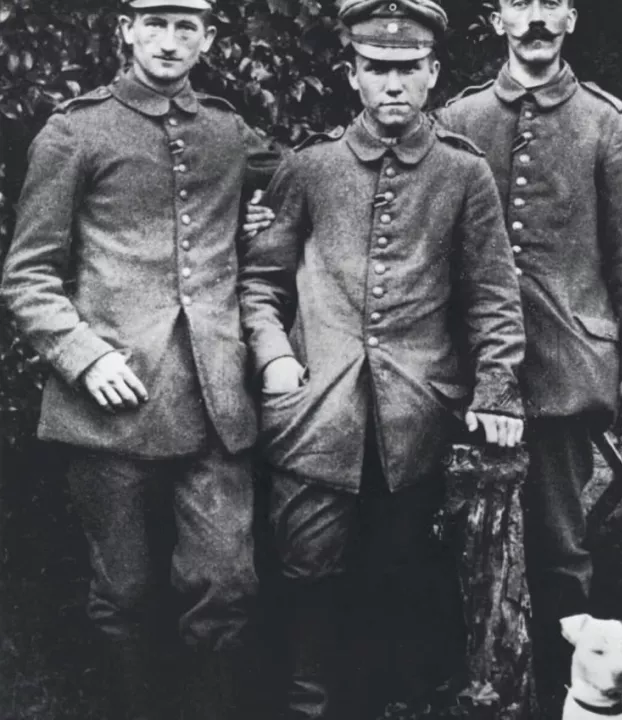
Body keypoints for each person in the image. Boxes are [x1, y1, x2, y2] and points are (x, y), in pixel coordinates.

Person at [238, 1, 526, 718]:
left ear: (432, 74)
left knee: (403, 581)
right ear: (352, 76)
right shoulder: (310, 169)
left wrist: (495, 388)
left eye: (407, 69)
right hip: (316, 419)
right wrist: (276, 361)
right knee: (307, 572)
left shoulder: (465, 175)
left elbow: (492, 293)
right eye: (377, 69)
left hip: (415, 419)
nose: (392, 84)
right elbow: (260, 284)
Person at [0, 1, 279, 718]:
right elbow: (28, 275)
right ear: (124, 29)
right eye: (154, 21)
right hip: (110, 399)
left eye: (187, 25)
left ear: (208, 39)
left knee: (226, 586)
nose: (168, 39)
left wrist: (266, 215)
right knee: (122, 593)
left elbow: (300, 179)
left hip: (215, 396)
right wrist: (83, 356)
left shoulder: (225, 130)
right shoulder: (75, 131)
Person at [434, 1, 622, 716]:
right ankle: (474, 684)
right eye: (519, 4)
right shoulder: (459, 119)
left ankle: (571, 700)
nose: (535, 19)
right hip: (466, 369)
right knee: (460, 532)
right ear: (498, 18)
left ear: (572, 18)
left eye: (550, 3)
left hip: (566, 366)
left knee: (559, 540)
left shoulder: (605, 122)